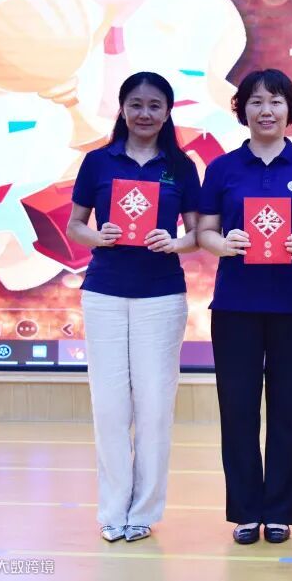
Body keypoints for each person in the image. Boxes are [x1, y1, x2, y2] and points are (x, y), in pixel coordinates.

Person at [67, 71, 201, 542]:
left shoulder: (181, 166)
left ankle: (143, 511)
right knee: (109, 407)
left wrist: (174, 241)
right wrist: (96, 236)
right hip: (104, 292)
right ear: (122, 109)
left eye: (155, 105)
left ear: (168, 112)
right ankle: (112, 512)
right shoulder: (97, 162)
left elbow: (198, 233)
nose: (145, 114)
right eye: (136, 104)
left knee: (155, 407)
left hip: (161, 296)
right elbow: (75, 225)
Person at [197, 68, 292, 544]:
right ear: (242, 110)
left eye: (275, 101)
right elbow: (204, 231)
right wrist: (224, 243)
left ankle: (279, 512)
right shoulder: (222, 168)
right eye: (255, 101)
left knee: (289, 410)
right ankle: (246, 511)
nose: (266, 110)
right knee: (238, 410)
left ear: (290, 109)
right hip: (235, 306)